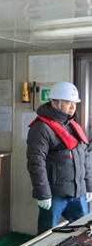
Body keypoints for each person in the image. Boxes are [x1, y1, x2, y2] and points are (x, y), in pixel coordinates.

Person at [26, 81, 92, 235]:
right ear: (54, 102)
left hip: (78, 193)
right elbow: (36, 162)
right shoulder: (41, 128)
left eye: (74, 103)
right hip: (54, 194)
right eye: (68, 103)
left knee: (83, 232)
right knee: (46, 235)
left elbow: (85, 157)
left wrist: (89, 186)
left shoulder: (74, 126)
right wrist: (43, 193)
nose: (72, 107)